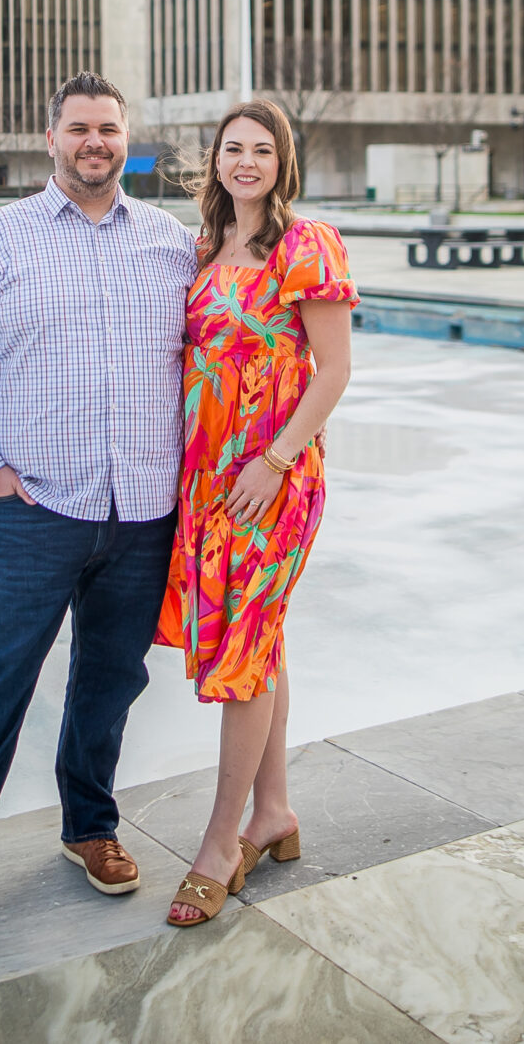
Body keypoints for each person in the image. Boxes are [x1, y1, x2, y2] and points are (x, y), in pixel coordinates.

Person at [0, 73, 198, 932]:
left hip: (142, 512)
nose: (94, 142)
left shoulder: (171, 242)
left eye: (108, 129)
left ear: (124, 138)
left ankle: (89, 828)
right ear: (50, 137)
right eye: (79, 129)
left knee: (109, 682)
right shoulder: (0, 241)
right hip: (33, 508)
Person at [157, 99, 355, 927]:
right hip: (209, 482)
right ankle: (274, 813)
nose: (245, 162)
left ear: (283, 163)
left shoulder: (306, 245)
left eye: (261, 150)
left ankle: (218, 841)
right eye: (232, 148)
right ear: (215, 161)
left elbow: (334, 371)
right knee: (257, 639)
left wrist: (273, 462)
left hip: (272, 482)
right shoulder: (205, 247)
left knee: (243, 646)